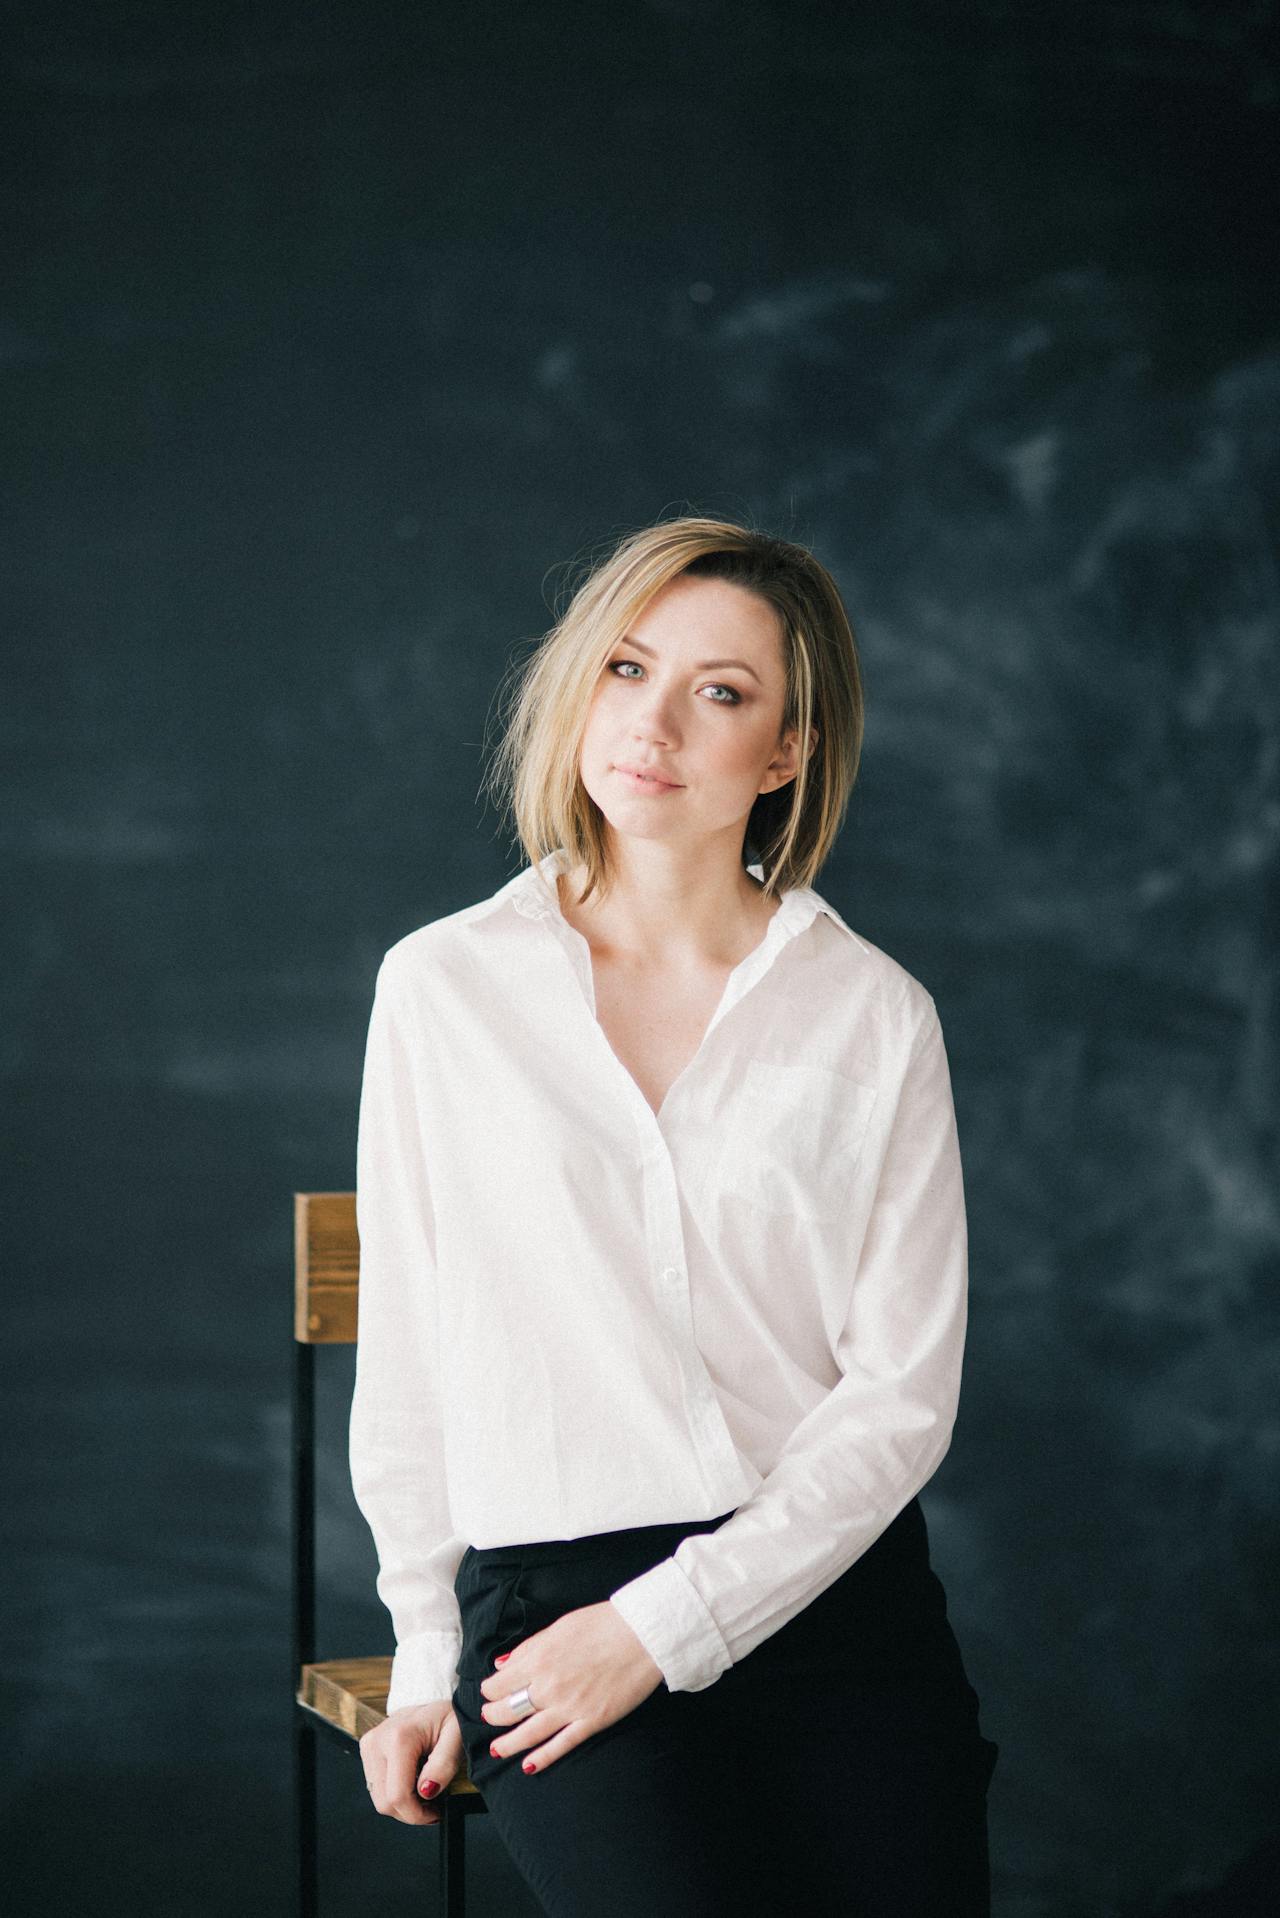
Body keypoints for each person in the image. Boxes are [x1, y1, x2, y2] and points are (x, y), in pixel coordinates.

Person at [349, 514, 1000, 1916]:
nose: (653, 723)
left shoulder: (876, 1016)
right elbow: (411, 1352)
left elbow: (901, 1397)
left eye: (722, 691)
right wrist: (422, 1661)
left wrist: (666, 1626)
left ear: (786, 752)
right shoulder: (444, 990)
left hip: (826, 1588)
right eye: (628, 667)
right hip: (551, 1610)